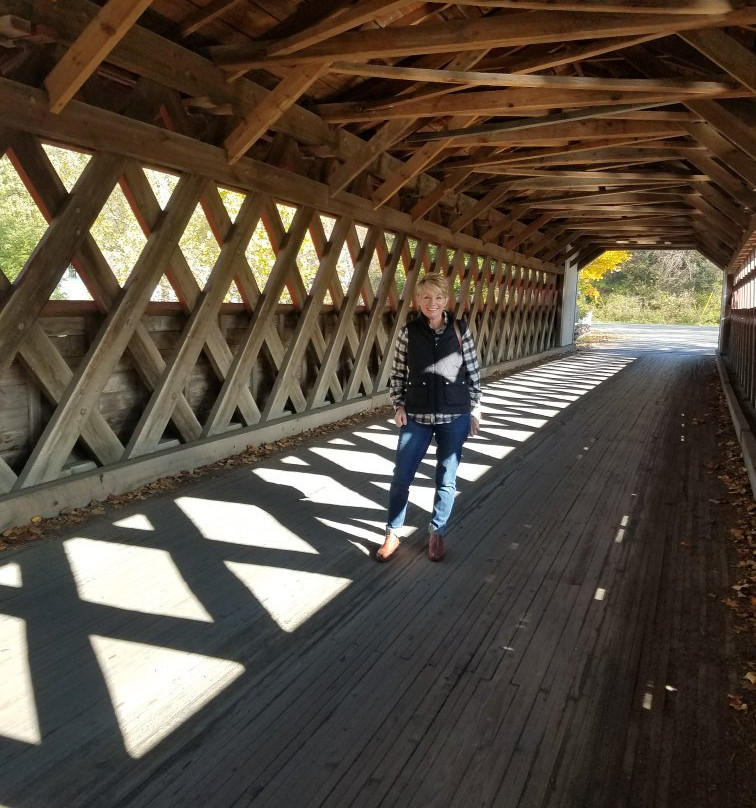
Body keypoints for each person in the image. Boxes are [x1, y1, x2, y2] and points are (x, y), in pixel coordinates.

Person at [376, 273, 482, 562]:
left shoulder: (460, 330)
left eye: (437, 297)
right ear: (417, 300)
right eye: (426, 297)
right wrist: (398, 406)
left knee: (446, 478)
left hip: (455, 415)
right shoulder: (408, 332)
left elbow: (473, 372)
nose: (431, 303)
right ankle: (393, 532)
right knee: (401, 476)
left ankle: (437, 533)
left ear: (445, 300)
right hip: (417, 416)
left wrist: (475, 409)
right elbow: (397, 373)